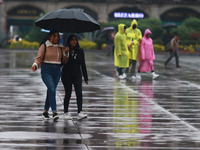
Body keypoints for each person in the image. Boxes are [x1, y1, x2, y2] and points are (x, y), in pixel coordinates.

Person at [30, 30, 69, 121]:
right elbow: (39, 58)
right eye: (54, 36)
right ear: (50, 36)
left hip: (57, 71)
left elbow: (65, 61)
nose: (56, 38)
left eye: (58, 36)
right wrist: (35, 65)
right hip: (46, 71)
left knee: (51, 91)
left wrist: (66, 53)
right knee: (52, 89)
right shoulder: (44, 46)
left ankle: (45, 112)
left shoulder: (60, 47)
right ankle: (54, 112)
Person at [61, 34, 88, 120]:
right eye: (72, 40)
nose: (74, 41)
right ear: (69, 41)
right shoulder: (65, 50)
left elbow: (83, 64)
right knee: (68, 93)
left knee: (79, 93)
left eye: (76, 40)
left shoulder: (80, 51)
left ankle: (80, 112)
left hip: (77, 75)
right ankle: (66, 112)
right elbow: (61, 63)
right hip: (66, 75)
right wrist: (66, 53)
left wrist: (86, 77)